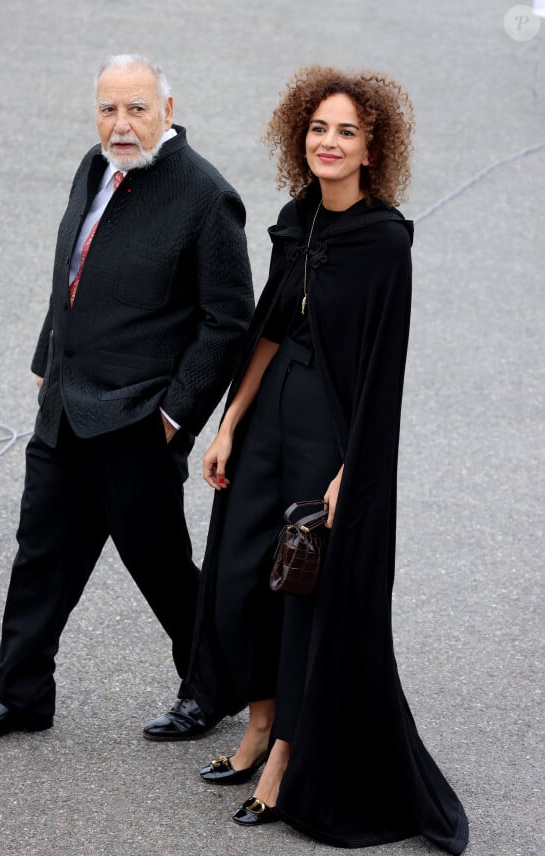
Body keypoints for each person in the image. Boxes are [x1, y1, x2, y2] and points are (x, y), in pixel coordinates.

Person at [152, 65, 469, 853]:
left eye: (347, 132)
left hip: (332, 428)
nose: (329, 142)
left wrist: (345, 473)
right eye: (319, 128)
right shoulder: (298, 219)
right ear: (303, 136)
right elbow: (265, 329)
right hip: (267, 422)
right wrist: (229, 424)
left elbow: (379, 371)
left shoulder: (386, 241)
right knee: (238, 581)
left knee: (302, 593)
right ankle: (257, 723)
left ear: (372, 149)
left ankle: (285, 757)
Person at [0, 54, 254, 745]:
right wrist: (47, 358)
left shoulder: (207, 197)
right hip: (65, 406)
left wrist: (174, 416)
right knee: (40, 554)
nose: (120, 125)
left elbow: (229, 321)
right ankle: (21, 693)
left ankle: (212, 688)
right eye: (107, 109)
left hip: (137, 421)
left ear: (168, 110)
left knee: (158, 566)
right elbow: (74, 269)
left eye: (136, 109)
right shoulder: (94, 167)